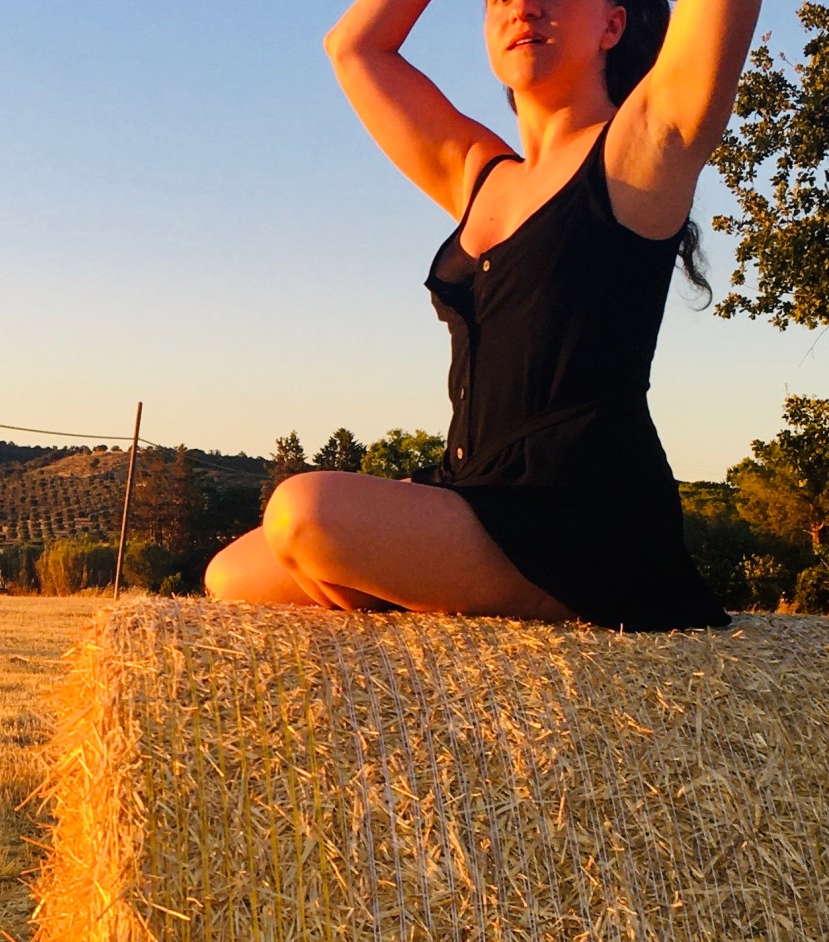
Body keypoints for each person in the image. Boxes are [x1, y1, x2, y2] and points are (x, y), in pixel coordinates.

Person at [205, 0, 762, 631]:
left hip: (582, 513)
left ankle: (562, 595)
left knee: (302, 512)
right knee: (231, 575)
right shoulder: (481, 175)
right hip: (474, 491)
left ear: (613, 23)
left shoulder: (642, 151)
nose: (523, 7)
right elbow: (354, 48)